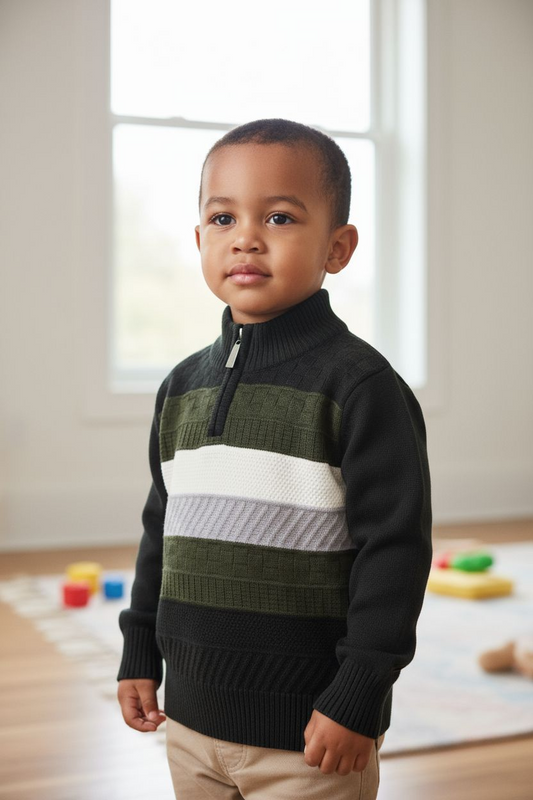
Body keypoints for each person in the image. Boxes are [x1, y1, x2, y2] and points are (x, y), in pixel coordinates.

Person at [116, 117, 433, 799]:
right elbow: (160, 530)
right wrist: (139, 648)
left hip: (312, 737)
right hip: (190, 723)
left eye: (280, 217)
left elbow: (395, 552)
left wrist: (358, 694)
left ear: (337, 248)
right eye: (222, 217)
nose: (245, 237)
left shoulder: (360, 386)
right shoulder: (180, 386)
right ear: (200, 240)